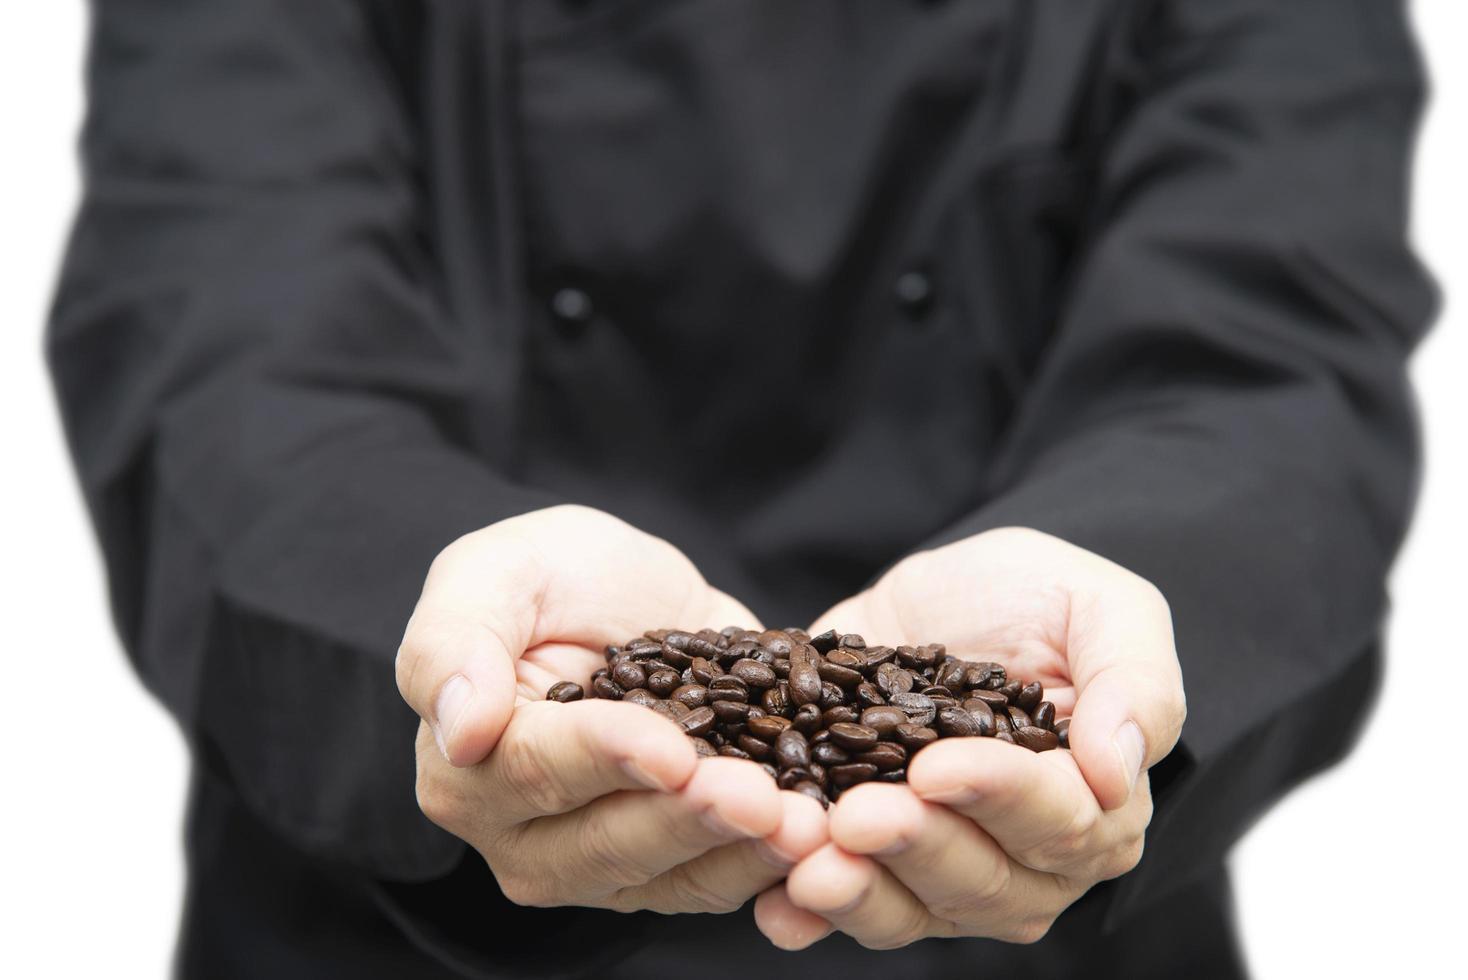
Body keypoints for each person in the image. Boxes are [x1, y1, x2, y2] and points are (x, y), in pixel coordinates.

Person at [48, 1, 1433, 977]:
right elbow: (223, 345)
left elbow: (1273, 350)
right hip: (388, 930)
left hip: (1035, 950)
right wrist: (435, 606)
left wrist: (1120, 593)